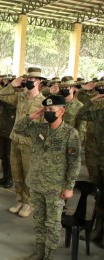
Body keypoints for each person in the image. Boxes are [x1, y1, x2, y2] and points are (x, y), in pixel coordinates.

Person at [15, 95, 80, 260]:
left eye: (52, 110)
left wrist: (69, 187)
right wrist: (31, 116)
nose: (48, 112)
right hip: (36, 184)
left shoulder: (70, 134)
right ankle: (39, 253)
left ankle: (49, 257)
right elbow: (18, 129)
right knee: (38, 222)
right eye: (46, 109)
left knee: (52, 224)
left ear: (62, 111)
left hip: (55, 187)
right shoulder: (39, 129)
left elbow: (74, 162)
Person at [0, 67, 46, 218]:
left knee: (28, 174)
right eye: (27, 80)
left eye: (31, 80)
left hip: (30, 144)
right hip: (16, 140)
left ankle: (28, 202)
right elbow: (0, 95)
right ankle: (19, 199)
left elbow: (45, 127)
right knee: (17, 173)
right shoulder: (21, 96)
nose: (28, 82)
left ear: (39, 82)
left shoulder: (43, 102)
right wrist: (13, 84)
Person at [76, 81, 104, 248]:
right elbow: (81, 114)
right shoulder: (100, 112)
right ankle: (97, 230)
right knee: (100, 199)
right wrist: (92, 100)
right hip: (99, 161)